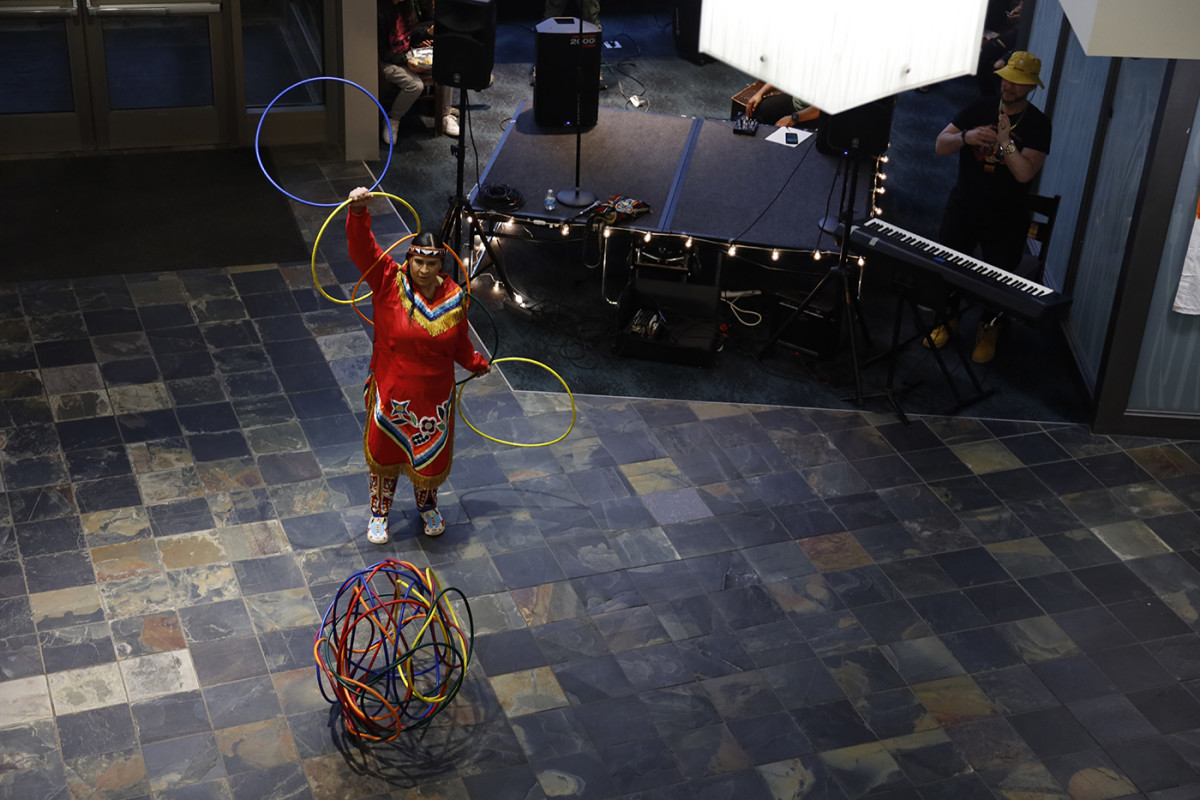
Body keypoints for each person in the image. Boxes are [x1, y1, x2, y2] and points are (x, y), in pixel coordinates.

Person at [346, 187, 490, 543]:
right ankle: (379, 513)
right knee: (386, 453)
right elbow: (363, 250)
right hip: (392, 391)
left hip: (434, 398)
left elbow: (459, 344)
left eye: (432, 263)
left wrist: (475, 363)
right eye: (418, 262)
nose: (424, 270)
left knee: (428, 457)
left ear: (442, 263)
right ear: (409, 259)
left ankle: (427, 505)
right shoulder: (388, 282)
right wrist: (360, 212)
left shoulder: (455, 298)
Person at [929, 50, 1051, 363]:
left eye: (1019, 81)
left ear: (1031, 87)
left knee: (997, 280)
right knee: (949, 266)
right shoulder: (980, 106)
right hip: (965, 204)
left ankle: (989, 328)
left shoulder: (1038, 124)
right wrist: (967, 137)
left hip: (1006, 216)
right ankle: (947, 318)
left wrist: (1006, 141)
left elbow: (1024, 173)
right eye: (1008, 77)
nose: (1009, 85)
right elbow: (941, 145)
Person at [378, 0, 458, 141]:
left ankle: (445, 115)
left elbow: (412, 33)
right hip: (389, 61)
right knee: (415, 85)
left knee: (446, 65)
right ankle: (393, 119)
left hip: (409, 54)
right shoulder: (380, 13)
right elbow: (383, 52)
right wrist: (405, 61)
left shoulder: (407, 6)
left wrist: (427, 33)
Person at [743, 83, 820, 128]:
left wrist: (794, 118)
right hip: (795, 101)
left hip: (813, 116)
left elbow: (820, 110)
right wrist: (760, 93)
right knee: (759, 108)